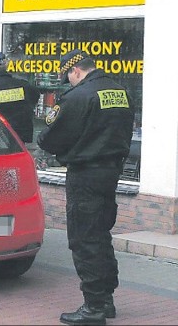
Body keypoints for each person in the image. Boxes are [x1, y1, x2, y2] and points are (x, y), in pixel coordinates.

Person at [37, 49, 134, 326]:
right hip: (111, 172)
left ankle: (94, 307)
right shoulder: (119, 92)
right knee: (100, 234)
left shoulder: (78, 96)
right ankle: (106, 299)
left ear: (75, 71)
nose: (69, 81)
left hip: (85, 174)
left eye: (68, 76)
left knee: (83, 238)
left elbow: (50, 138)